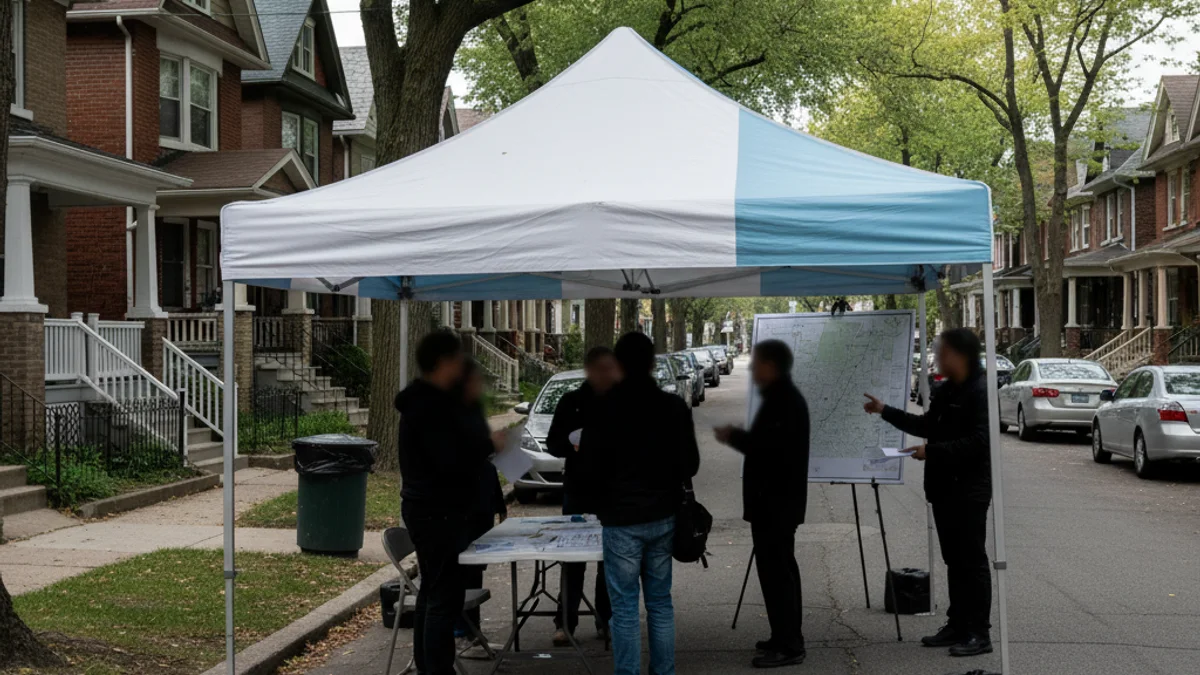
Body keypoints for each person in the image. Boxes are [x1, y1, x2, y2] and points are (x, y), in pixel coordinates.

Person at [863, 327, 993, 658]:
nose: (936, 356)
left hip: (969, 490)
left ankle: (979, 632)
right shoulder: (947, 389)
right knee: (953, 560)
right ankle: (957, 624)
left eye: (941, 351)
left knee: (971, 561)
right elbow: (927, 426)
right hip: (942, 488)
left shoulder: (981, 390)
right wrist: (885, 411)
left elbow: (980, 443)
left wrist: (933, 452)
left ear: (958, 355)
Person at [587, 332, 701, 675]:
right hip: (663, 515)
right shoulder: (672, 406)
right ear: (653, 363)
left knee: (623, 609)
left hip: (620, 519)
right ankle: (663, 671)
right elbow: (690, 465)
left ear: (618, 364)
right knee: (660, 603)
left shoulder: (602, 408)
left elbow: (589, 470)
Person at [396, 331, 506, 675]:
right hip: (436, 512)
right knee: (443, 598)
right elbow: (448, 459)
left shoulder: (436, 401)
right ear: (444, 362)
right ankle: (437, 670)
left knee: (434, 594)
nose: (462, 366)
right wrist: (488, 443)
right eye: (458, 359)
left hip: (436, 509)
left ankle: (430, 668)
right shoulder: (428, 406)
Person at [715, 339, 810, 668]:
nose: (753, 369)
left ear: (772, 365)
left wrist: (735, 436)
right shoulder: (778, 398)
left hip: (777, 504)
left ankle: (790, 645)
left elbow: (769, 451)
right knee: (777, 572)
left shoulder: (785, 401)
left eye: (757, 363)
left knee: (778, 574)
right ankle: (782, 635)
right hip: (773, 503)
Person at [545, 346, 619, 646]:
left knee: (609, 560)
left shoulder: (621, 402)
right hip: (577, 491)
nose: (605, 374)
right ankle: (566, 622)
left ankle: (606, 620)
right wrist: (571, 446)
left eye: (609, 368)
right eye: (599, 368)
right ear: (589, 370)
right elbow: (552, 443)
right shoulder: (571, 401)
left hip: (613, 493)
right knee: (572, 560)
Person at [454, 359, 508, 657]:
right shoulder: (452, 418)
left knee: (475, 572)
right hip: (462, 509)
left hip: (480, 507)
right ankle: (460, 631)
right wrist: (491, 444)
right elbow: (464, 458)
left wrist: (498, 503)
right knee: (463, 571)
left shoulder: (474, 414)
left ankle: (472, 631)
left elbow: (486, 466)